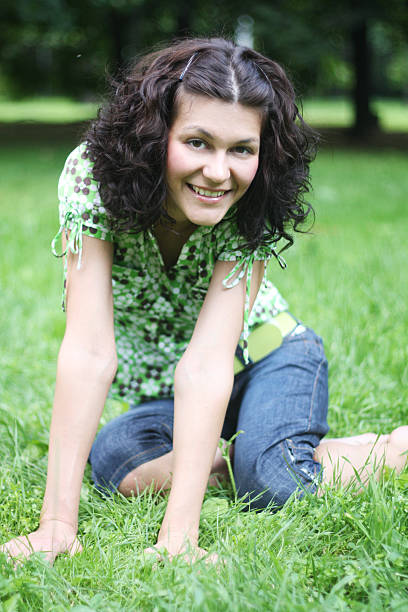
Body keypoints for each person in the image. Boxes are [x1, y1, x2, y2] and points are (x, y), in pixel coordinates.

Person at [2, 37, 407, 565]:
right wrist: (56, 527)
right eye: (197, 142)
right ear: (155, 136)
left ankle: (389, 449)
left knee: (275, 483)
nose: (219, 172)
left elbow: (207, 363)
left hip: (270, 358)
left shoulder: (253, 200)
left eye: (241, 149)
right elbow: (89, 351)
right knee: (116, 461)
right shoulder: (94, 177)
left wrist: (179, 537)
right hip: (177, 385)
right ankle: (239, 450)